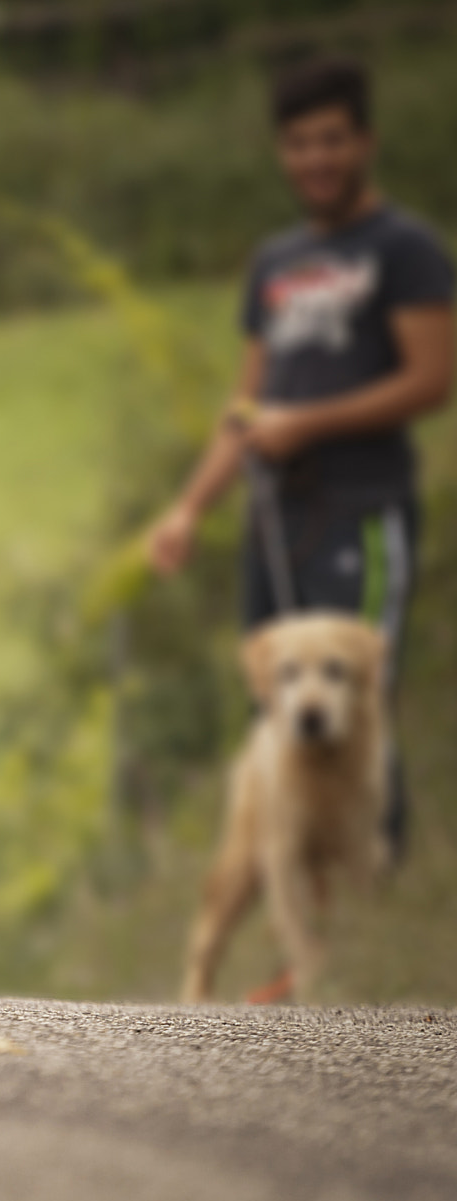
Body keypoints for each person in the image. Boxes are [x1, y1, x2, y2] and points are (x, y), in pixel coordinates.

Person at [146, 57, 453, 855]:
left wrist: (307, 423)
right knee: (281, 708)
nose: (316, 159)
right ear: (282, 153)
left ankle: (377, 868)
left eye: (331, 140)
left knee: (355, 696)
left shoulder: (406, 248)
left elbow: (432, 380)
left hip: (365, 512)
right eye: (298, 143)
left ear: (365, 143)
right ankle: (300, 888)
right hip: (276, 522)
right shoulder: (273, 264)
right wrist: (188, 508)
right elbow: (247, 411)